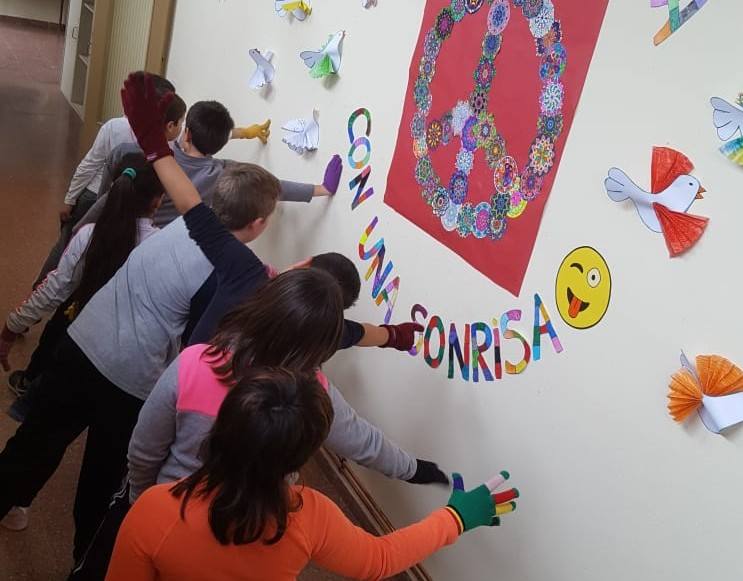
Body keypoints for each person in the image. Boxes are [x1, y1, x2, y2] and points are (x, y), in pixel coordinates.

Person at [70, 269, 440, 579]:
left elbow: (144, 450)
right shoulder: (312, 398)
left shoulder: (196, 362)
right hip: (256, 523)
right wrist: (416, 470)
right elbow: (364, 446)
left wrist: (146, 502)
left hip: (172, 508)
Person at [105, 367, 519, 581]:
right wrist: (457, 518)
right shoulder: (308, 516)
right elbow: (378, 559)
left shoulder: (156, 510)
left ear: (222, 425)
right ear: (298, 458)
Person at [0, 153, 165, 532]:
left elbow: (53, 289)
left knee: (37, 441)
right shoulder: (159, 247)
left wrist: (12, 327)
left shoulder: (90, 235)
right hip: (131, 379)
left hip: (78, 351)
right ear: (157, 199)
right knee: (105, 473)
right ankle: (88, 555)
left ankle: (11, 501)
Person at [75, 100, 341, 230]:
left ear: (186, 133)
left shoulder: (148, 156)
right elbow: (273, 186)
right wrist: (322, 189)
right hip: (165, 248)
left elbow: (103, 203)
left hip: (117, 235)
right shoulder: (222, 172)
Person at [31, 73, 185, 288]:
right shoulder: (169, 142)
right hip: (120, 204)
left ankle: (41, 290)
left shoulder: (116, 127)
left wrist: (70, 198)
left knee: (69, 245)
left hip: (98, 197)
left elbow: (90, 164)